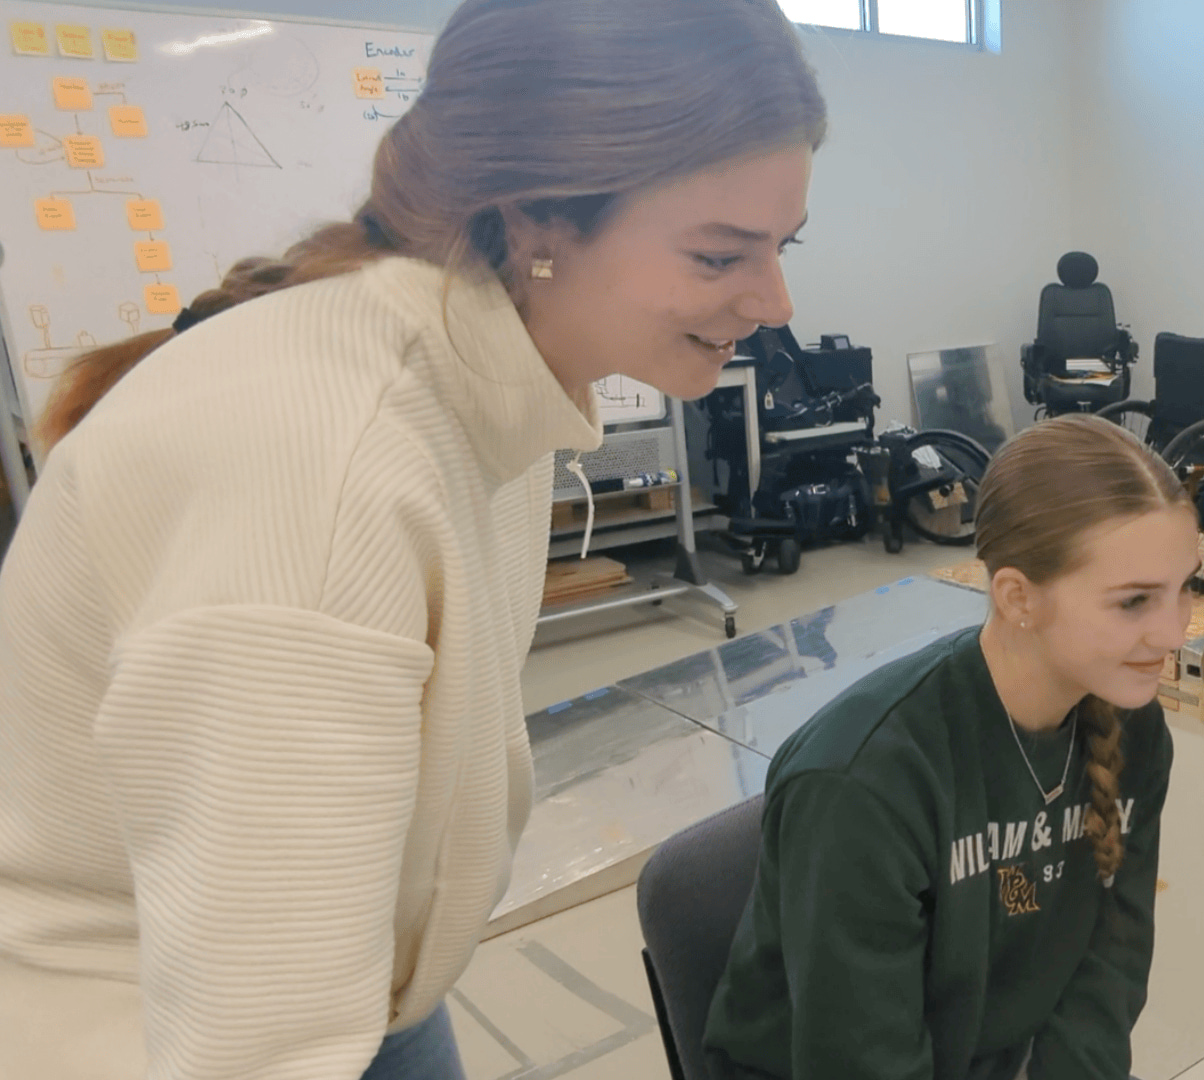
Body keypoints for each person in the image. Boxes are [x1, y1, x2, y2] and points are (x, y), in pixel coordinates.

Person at [0, 1, 824, 1076]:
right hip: (152, 1021)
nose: (774, 299)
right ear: (533, 224)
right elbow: (254, 1038)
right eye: (721, 256)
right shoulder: (325, 478)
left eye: (780, 246)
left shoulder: (485, 377)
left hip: (370, 970)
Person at [705, 415, 1189, 1080]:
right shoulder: (865, 782)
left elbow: (1108, 973)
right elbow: (861, 1060)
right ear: (1018, 597)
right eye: (1134, 601)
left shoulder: (1133, 728)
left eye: (1183, 588)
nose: (1173, 631)